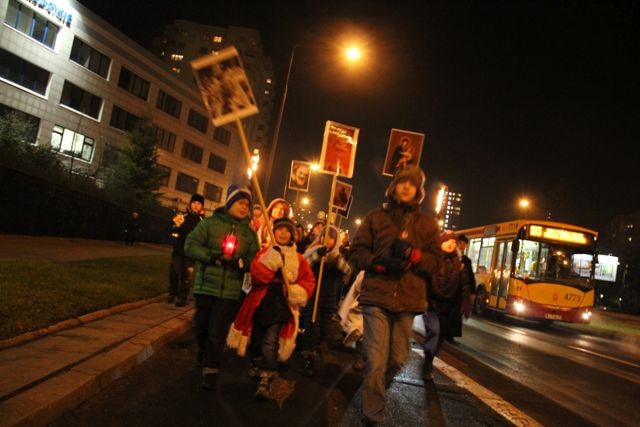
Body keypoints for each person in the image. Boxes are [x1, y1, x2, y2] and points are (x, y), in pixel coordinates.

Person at [349, 165, 439, 425]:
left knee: (398, 359)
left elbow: (435, 262)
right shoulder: (375, 217)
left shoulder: (428, 224)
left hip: (408, 302)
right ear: (394, 186)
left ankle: (374, 390)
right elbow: (357, 252)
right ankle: (373, 412)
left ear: (419, 191)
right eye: (403, 182)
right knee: (375, 360)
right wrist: (380, 263)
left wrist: (416, 255)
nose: (407, 187)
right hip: (376, 297)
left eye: (412, 184)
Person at [227, 217, 316, 399]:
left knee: (270, 343)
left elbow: (308, 280)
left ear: (292, 234)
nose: (283, 233)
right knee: (257, 340)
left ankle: (266, 378)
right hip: (260, 303)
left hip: (280, 307)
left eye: (287, 230)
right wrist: (270, 262)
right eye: (279, 229)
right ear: (273, 232)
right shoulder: (263, 253)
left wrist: (296, 291)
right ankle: (256, 363)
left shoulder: (298, 258)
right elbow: (257, 276)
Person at [184, 184, 259, 390]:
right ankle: (203, 350)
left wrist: (242, 263)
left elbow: (255, 259)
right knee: (201, 326)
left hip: (230, 291)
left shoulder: (249, 234)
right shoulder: (209, 224)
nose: (245, 208)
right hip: (206, 286)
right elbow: (190, 245)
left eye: (247, 204)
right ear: (230, 202)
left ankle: (211, 369)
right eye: (240, 203)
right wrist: (212, 256)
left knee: (217, 330)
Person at [300, 225, 352, 376]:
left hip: (328, 300)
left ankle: (315, 348)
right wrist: (317, 254)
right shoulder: (313, 252)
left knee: (323, 330)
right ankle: (308, 357)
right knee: (312, 328)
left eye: (331, 238)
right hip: (313, 297)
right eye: (324, 236)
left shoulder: (338, 257)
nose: (327, 240)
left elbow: (347, 271)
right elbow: (304, 264)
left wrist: (336, 261)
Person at [422, 231, 470, 380]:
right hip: (432, 305)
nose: (450, 244)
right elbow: (424, 281)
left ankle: (429, 359)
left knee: (440, 337)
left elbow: (464, 286)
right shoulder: (432, 261)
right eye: (447, 241)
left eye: (453, 242)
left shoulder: (460, 265)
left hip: (449, 308)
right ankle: (428, 361)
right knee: (434, 332)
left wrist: (465, 305)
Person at [168, 194, 204, 307]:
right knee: (174, 272)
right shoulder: (182, 217)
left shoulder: (203, 222)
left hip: (191, 254)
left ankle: (182, 297)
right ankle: (172, 293)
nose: (196, 206)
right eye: (194, 203)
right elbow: (174, 230)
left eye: (198, 204)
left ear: (202, 207)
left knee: (186, 275)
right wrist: (175, 227)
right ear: (190, 204)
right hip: (178, 251)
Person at [446, 233, 476, 340]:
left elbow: (471, 276)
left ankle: (451, 334)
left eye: (464, 244)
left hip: (460, 290)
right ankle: (447, 332)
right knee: (449, 311)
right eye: (460, 243)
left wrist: (472, 291)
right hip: (451, 288)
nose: (462, 245)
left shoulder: (466, 260)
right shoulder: (451, 256)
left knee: (458, 311)